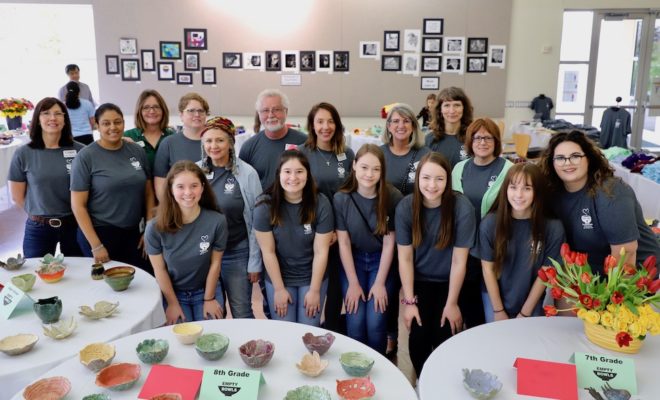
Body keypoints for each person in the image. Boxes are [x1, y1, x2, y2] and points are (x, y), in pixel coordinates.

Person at [396, 152, 476, 377]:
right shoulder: (406, 207)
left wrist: (452, 303)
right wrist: (409, 301)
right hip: (420, 280)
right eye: (426, 178)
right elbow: (405, 258)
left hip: (451, 280)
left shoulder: (461, 207)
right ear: (418, 178)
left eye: (439, 179)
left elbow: (459, 260)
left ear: (448, 181)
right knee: (419, 338)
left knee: (444, 334)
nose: (432, 185)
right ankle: (423, 380)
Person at [540, 130, 660, 274]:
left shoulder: (611, 192)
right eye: (560, 158)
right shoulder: (553, 192)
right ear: (551, 162)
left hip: (634, 276)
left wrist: (612, 295)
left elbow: (626, 255)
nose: (568, 163)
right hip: (591, 272)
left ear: (589, 159)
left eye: (575, 156)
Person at [334, 144, 403, 354]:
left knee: (375, 323)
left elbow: (390, 242)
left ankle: (376, 370)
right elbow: (343, 243)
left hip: (380, 261)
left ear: (382, 171)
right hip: (352, 260)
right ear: (354, 166)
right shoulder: (341, 198)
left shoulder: (392, 196)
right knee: (355, 322)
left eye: (375, 169)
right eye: (364, 167)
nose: (369, 174)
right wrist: (353, 283)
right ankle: (355, 368)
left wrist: (380, 282)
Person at [71, 103, 155, 274]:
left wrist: (149, 228)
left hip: (133, 233)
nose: (113, 127)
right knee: (107, 287)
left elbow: (148, 193)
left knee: (143, 280)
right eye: (106, 123)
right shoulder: (86, 156)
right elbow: (78, 205)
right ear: (97, 125)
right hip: (100, 233)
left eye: (117, 122)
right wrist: (96, 245)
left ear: (124, 123)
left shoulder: (136, 151)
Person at [253, 150, 334, 326]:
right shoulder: (264, 206)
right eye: (287, 171)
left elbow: (321, 252)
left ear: (307, 174)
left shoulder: (321, 203)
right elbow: (268, 252)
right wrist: (279, 289)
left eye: (299, 171)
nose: (293, 177)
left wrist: (314, 290)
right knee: (284, 328)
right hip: (279, 276)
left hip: (311, 275)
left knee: (309, 329)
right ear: (279, 174)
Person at [479, 163, 565, 322]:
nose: (519, 194)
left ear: (537, 192)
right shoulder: (490, 223)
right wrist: (498, 311)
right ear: (505, 190)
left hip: (531, 299)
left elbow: (545, 274)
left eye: (527, 188)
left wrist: (525, 313)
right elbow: (488, 270)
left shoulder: (553, 227)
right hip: (494, 298)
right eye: (513, 187)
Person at [145, 161, 227, 324]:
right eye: (180, 187)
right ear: (170, 189)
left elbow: (215, 264)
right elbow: (159, 269)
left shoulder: (217, 221)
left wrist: (209, 298)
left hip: (207, 290)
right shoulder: (154, 227)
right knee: (182, 340)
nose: (188, 192)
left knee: (211, 339)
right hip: (174, 294)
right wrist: (173, 304)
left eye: (194, 186)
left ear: (203, 187)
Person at [380, 102, 430, 359]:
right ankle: (391, 338)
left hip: (418, 233)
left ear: (414, 126)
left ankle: (417, 337)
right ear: (388, 127)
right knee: (389, 287)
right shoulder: (379, 154)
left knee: (412, 286)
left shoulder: (424, 154)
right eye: (395, 121)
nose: (400, 126)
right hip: (385, 233)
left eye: (406, 121)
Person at [199, 117, 262, 319]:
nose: (213, 146)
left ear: (231, 143)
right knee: (212, 314)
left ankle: (249, 350)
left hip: (237, 251)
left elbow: (256, 220)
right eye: (208, 141)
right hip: (206, 255)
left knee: (242, 311)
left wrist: (254, 262)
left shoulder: (247, 173)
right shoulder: (195, 171)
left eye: (220, 140)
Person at [452, 117, 513, 327]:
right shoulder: (459, 169)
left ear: (496, 141)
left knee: (493, 310)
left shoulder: (509, 170)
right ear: (470, 141)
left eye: (488, 137)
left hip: (496, 250)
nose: (482, 142)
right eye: (477, 137)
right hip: (465, 251)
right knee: (470, 309)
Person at [301, 102, 355, 334]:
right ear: (312, 126)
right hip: (311, 228)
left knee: (335, 285)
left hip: (342, 230)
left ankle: (331, 329)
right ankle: (307, 330)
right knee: (313, 280)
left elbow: (351, 192)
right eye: (320, 121)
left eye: (330, 121)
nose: (326, 127)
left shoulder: (347, 154)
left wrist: (337, 229)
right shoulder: (302, 153)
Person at [8, 97, 85, 257]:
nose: (53, 118)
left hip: (75, 225)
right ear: (37, 119)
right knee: (37, 276)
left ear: (65, 119)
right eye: (46, 113)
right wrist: (40, 213)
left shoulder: (82, 151)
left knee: (80, 274)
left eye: (58, 113)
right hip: (38, 228)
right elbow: (17, 197)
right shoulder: (24, 153)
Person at [239, 89, 307, 191]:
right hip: (263, 204)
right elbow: (243, 184)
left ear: (286, 111)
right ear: (259, 114)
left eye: (276, 109)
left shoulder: (304, 142)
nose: (271, 115)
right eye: (265, 110)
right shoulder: (249, 147)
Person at [154, 92, 209, 201]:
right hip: (178, 207)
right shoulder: (168, 143)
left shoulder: (214, 143)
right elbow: (160, 183)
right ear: (181, 115)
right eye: (191, 111)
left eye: (201, 111)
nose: (197, 114)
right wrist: (170, 209)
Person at [123, 90, 175, 170]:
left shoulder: (172, 136)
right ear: (139, 111)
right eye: (146, 107)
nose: (152, 111)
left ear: (163, 110)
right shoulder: (127, 136)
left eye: (156, 107)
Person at [426, 86, 474, 167]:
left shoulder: (473, 137)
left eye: (457, 105)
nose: (452, 111)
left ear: (464, 108)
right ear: (440, 109)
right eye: (447, 105)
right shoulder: (430, 140)